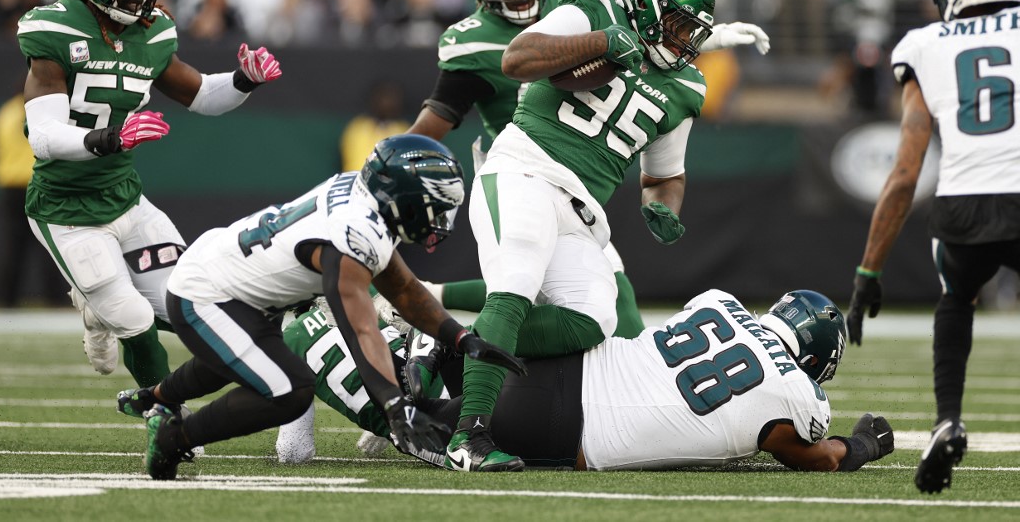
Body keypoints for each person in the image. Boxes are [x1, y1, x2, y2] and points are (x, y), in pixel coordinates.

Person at [446, 0, 766, 472]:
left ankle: (443, 338)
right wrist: (600, 42)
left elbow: (663, 177)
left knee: (596, 316)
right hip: (524, 169)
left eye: (694, 30)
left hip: (583, 210)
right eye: (680, 25)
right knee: (517, 282)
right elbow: (518, 59)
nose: (687, 41)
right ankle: (469, 436)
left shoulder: (687, 87)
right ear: (644, 8)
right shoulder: (595, 4)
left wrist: (663, 207)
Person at [407, 0, 770, 341]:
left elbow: (638, 28)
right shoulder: (472, 42)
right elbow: (437, 118)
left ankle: (432, 306)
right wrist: (391, 171)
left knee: (590, 305)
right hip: (520, 166)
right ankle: (446, 341)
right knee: (523, 285)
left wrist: (708, 38)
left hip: (577, 177)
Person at [116, 134, 525, 480]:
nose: (442, 219)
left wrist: (459, 336)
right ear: (403, 199)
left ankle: (155, 396)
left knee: (246, 358)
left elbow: (402, 288)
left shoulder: (369, 205)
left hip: (238, 283)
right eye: (436, 206)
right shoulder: (354, 233)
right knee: (290, 390)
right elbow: (359, 329)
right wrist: (394, 404)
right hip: (208, 293)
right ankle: (174, 438)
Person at [17, 0, 281, 390]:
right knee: (136, 319)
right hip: (65, 207)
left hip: (126, 198)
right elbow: (43, 136)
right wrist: (111, 138)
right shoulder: (54, 29)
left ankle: (95, 303)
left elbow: (200, 94)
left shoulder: (152, 30)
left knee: (189, 302)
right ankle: (167, 419)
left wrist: (243, 81)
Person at [279, 288, 895, 473]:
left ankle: (431, 341)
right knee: (411, 427)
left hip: (561, 360)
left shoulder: (720, 304)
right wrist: (866, 440)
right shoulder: (797, 398)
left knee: (477, 354)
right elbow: (816, 459)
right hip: (564, 428)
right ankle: (308, 347)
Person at [847, 0, 1020, 494]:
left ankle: (947, 417)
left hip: (963, 206)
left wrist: (869, 273)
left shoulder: (925, 44)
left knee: (957, 299)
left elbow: (904, 174)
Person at [0, 81, 64, 307]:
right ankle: (56, 299)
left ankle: (7, 299)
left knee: (13, 247)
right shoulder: (39, 113)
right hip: (38, 184)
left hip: (11, 186)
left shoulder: (6, 113)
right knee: (50, 244)